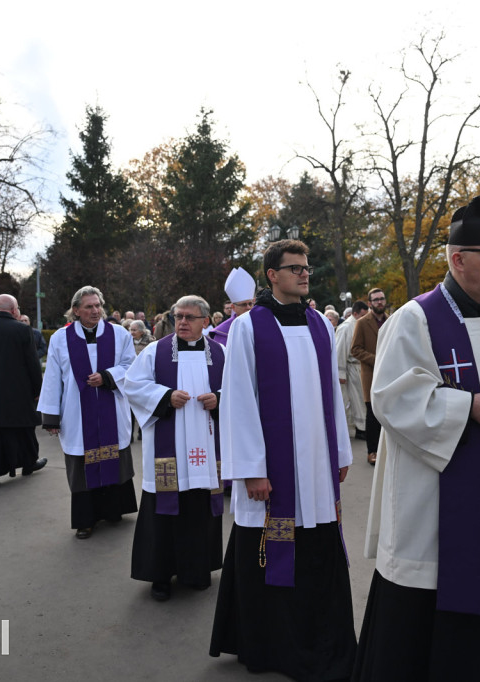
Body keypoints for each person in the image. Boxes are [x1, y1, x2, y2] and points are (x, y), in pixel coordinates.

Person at [354, 195, 480, 680]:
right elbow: (393, 398)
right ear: (459, 259)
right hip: (432, 506)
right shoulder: (414, 319)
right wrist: (467, 407)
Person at [210, 239, 356, 681]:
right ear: (272, 275)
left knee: (316, 550)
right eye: (295, 268)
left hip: (316, 466)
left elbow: (332, 395)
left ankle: (321, 642)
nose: (305, 274)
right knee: (271, 552)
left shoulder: (320, 325)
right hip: (271, 473)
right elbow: (238, 400)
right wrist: (252, 468)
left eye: (307, 268)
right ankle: (274, 648)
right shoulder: (248, 328)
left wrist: (341, 452)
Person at [123, 295, 225, 601]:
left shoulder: (221, 353)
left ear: (205, 322)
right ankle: (161, 576)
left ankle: (196, 571)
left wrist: (219, 396)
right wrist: (165, 397)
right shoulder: (155, 352)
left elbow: (242, 390)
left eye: (189, 317)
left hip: (206, 450)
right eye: (178, 316)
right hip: (168, 451)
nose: (181, 322)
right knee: (164, 512)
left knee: (197, 509)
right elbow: (133, 385)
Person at [38, 286, 138, 538]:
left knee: (113, 457)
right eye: (89, 307)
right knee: (83, 464)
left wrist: (107, 376)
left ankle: (114, 509)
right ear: (76, 310)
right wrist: (50, 416)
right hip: (76, 412)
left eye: (98, 305)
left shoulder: (119, 334)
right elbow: (52, 378)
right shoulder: (61, 338)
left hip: (112, 409)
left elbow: (132, 366)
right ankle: (86, 518)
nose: (95, 311)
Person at [0, 294, 48, 491]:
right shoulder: (22, 329)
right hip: (17, 391)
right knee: (22, 429)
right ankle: (29, 462)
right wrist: (38, 389)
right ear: (14, 310)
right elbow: (32, 363)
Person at [351, 287, 388, 465]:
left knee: (389, 411)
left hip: (391, 374)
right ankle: (372, 451)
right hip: (371, 374)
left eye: (381, 299)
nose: (379, 302)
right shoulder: (362, 323)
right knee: (373, 414)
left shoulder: (392, 320)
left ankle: (388, 450)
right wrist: (376, 359)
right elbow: (355, 349)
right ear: (369, 303)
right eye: (376, 300)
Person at [335, 300, 368, 440]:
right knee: (355, 400)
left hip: (360, 366)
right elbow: (340, 350)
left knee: (361, 399)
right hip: (350, 367)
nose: (365, 317)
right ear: (355, 313)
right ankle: (360, 429)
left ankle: (362, 427)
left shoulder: (360, 325)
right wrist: (341, 372)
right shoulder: (346, 327)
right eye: (363, 315)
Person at [209, 267, 257, 347]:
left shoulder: (260, 323)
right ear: (233, 307)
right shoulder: (223, 332)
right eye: (244, 304)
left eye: (250, 304)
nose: (248, 307)